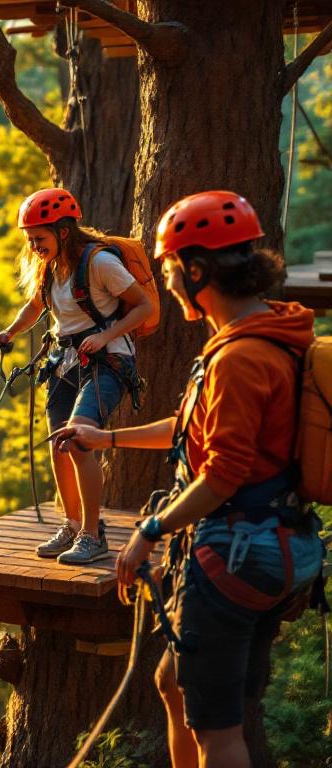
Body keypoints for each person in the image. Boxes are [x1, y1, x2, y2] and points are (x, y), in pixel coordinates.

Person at [56, 191, 325, 768]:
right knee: (174, 683)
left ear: (196, 269)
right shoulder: (267, 336)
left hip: (236, 549)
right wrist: (107, 439)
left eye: (169, 270)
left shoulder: (240, 359)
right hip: (274, 544)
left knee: (219, 732)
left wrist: (148, 530)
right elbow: (190, 428)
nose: (165, 284)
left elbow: (223, 473)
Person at [0, 188, 154, 564]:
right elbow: (35, 307)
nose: (33, 246)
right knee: (57, 446)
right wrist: (10, 333)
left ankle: (93, 536)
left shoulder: (98, 263)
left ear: (63, 231)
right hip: (66, 361)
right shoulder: (49, 267)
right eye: (29, 239)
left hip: (108, 360)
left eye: (39, 238)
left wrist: (105, 335)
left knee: (78, 440)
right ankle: (72, 523)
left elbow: (143, 306)